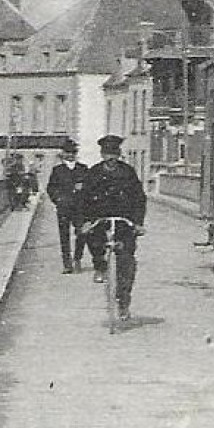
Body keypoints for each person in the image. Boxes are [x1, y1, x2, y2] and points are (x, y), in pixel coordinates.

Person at [77, 134, 147, 320]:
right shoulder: (93, 173)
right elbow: (83, 199)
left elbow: (139, 198)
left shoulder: (128, 172)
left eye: (114, 154)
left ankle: (123, 303)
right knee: (93, 241)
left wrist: (138, 223)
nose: (111, 158)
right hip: (100, 220)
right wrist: (85, 221)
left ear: (119, 154)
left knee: (126, 263)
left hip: (124, 222)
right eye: (107, 154)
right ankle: (99, 266)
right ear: (102, 154)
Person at [46, 142, 88, 274]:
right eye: (67, 152)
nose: (70, 155)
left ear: (76, 154)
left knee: (82, 233)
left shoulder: (83, 169)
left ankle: (77, 259)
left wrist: (83, 189)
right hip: (64, 207)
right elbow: (50, 188)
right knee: (64, 235)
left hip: (80, 207)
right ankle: (67, 263)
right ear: (63, 154)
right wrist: (58, 199)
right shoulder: (57, 170)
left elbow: (90, 187)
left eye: (73, 152)